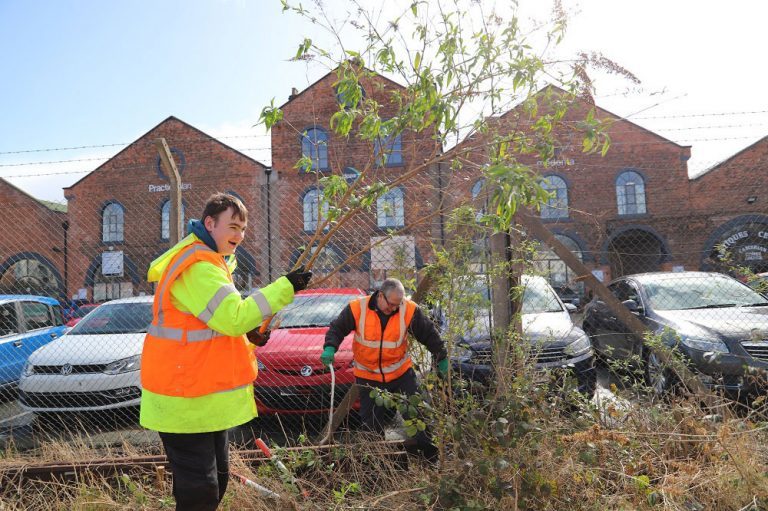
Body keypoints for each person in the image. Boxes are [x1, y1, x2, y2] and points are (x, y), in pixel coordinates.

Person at [139, 192, 311, 511]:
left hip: (198, 396)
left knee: (214, 483)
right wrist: (285, 287)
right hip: (182, 400)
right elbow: (232, 318)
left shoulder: (212, 261)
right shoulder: (198, 267)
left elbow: (210, 330)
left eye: (243, 229)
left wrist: (250, 335)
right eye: (232, 226)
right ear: (209, 223)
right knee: (201, 491)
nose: (239, 236)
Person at [321, 277, 448, 459]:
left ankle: (430, 460)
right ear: (380, 296)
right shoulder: (358, 308)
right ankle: (377, 465)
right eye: (391, 304)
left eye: (398, 304)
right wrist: (330, 347)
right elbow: (337, 328)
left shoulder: (408, 309)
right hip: (368, 377)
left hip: (400, 373)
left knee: (418, 416)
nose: (394, 309)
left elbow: (429, 334)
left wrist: (441, 357)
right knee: (371, 425)